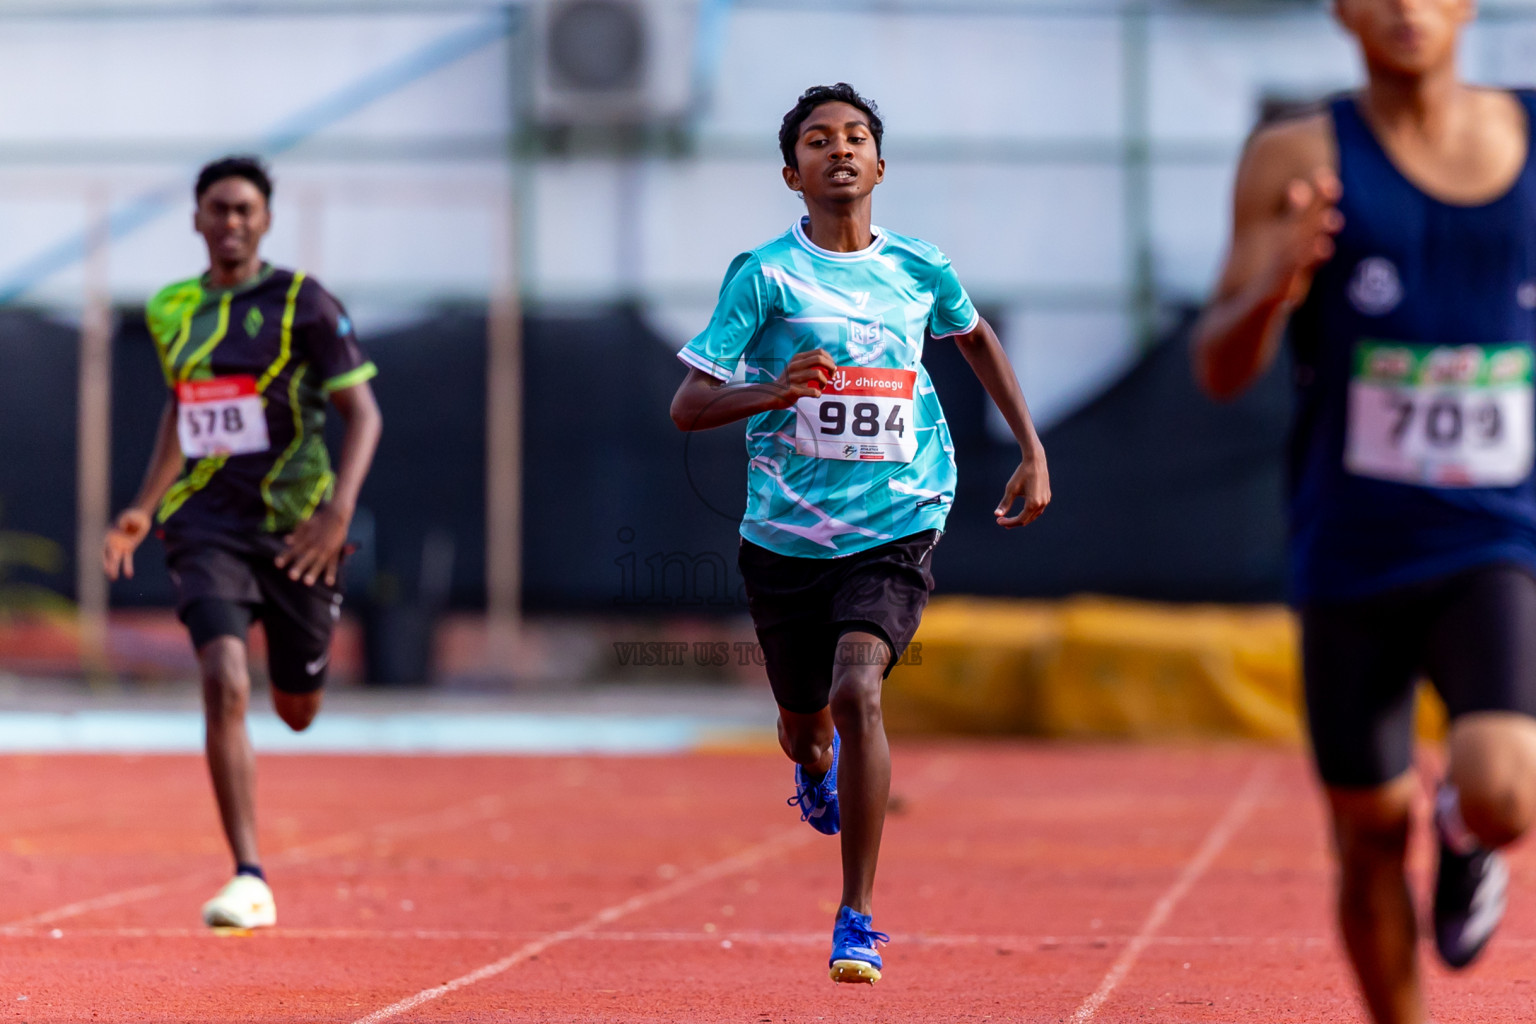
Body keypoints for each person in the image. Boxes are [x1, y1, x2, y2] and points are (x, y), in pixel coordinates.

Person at [1191, 3, 1536, 1021]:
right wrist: (1277, 284)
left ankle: (1467, 836)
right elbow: (1218, 366)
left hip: (1494, 533)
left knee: (1505, 786)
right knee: (1368, 831)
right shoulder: (1294, 157)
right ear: (1342, 9)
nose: (1404, 10)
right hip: (1351, 541)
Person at [670, 83, 1051, 984]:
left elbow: (977, 337)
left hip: (900, 517)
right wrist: (776, 389)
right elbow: (687, 406)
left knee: (859, 688)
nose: (839, 149)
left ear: (880, 163)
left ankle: (857, 918)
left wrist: (1032, 448)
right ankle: (811, 766)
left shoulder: (921, 267)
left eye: (856, 137)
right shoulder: (762, 275)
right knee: (806, 726)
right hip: (786, 538)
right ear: (791, 171)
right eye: (817, 139)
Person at [103, 155, 382, 930]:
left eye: (245, 210)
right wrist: (142, 505)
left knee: (295, 708)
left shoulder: (305, 304)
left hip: (299, 531)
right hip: (203, 523)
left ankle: (296, 669)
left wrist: (338, 514)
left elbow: (364, 416)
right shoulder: (170, 310)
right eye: (218, 208)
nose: (231, 222)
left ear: (264, 220)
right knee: (224, 679)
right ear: (196, 218)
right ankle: (249, 875)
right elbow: (183, 409)